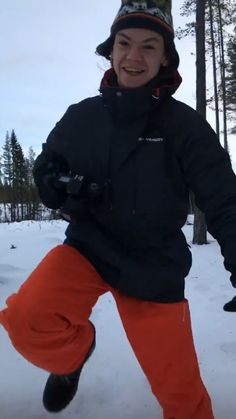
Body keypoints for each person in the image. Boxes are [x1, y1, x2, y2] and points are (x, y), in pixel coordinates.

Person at [1, 1, 236, 418]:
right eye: (124, 43)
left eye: (149, 47)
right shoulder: (81, 117)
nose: (133, 56)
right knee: (25, 319)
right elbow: (47, 163)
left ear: (165, 57)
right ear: (109, 51)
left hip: (154, 265)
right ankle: (72, 357)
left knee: (184, 401)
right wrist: (50, 180)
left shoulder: (184, 126)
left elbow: (224, 198)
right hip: (88, 249)